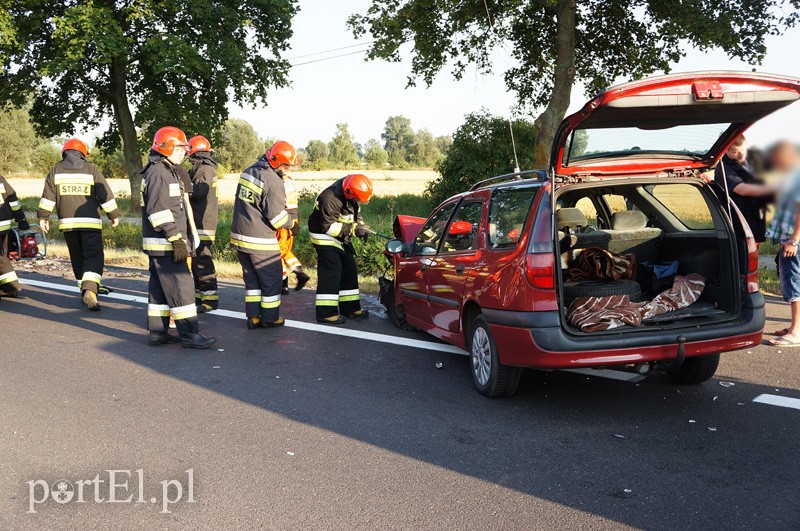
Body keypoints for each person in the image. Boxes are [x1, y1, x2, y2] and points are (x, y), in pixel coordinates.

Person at [141, 126, 216, 349]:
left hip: (161, 243)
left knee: (159, 289)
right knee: (181, 286)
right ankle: (190, 334)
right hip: (167, 243)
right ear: (166, 148)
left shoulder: (164, 170)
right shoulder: (159, 173)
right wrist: (176, 239)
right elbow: (158, 211)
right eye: (180, 149)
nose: (184, 153)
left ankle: (157, 332)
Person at [37, 138, 120, 310]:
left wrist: (43, 218)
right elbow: (104, 194)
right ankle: (90, 289)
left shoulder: (56, 171)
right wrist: (113, 215)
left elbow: (48, 198)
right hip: (90, 223)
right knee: (93, 255)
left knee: (77, 256)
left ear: (64, 152)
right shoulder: (91, 169)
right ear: (83, 153)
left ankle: (84, 290)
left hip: (68, 224)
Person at [231, 140, 295, 329]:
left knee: (252, 281)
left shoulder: (248, 172)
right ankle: (270, 318)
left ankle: (254, 317)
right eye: (286, 165)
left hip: (240, 238)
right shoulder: (273, 181)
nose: (288, 170)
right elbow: (277, 218)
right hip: (260, 241)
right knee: (271, 280)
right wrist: (292, 223)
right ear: (276, 162)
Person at [307, 173, 373, 324]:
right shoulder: (329, 198)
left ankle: (350, 308)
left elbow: (355, 214)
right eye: (357, 199)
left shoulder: (352, 192)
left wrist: (360, 226)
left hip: (342, 236)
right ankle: (325, 313)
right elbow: (329, 228)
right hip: (323, 235)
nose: (358, 202)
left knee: (349, 267)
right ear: (349, 193)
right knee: (332, 270)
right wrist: (353, 230)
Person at [765, 141, 800, 347]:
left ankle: (795, 332)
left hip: (793, 240)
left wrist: (794, 240)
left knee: (793, 283)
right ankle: (796, 326)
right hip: (789, 238)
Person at [714, 135, 774, 243]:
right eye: (735, 152)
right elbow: (742, 189)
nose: (741, 155)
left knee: (754, 249)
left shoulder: (750, 161)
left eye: (742, 150)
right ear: (725, 150)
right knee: (745, 250)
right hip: (740, 222)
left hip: (755, 218)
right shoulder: (724, 168)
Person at [187, 135, 219, 312]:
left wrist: (183, 187)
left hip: (203, 224)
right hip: (199, 223)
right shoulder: (201, 169)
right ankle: (199, 296)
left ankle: (210, 300)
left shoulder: (205, 170)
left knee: (203, 262)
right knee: (197, 262)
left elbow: (199, 192)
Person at [273, 141, 310, 294]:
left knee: (279, 251)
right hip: (291, 218)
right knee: (283, 251)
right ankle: (284, 283)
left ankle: (298, 274)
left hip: (284, 220)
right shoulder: (288, 179)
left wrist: (290, 222)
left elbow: (284, 203)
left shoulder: (280, 180)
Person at [0, 173, 30, 298]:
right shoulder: (1, 178)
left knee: (1, 258)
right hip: (4, 225)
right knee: (3, 255)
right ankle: (6, 288)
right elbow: (12, 199)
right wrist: (21, 218)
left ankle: (11, 286)